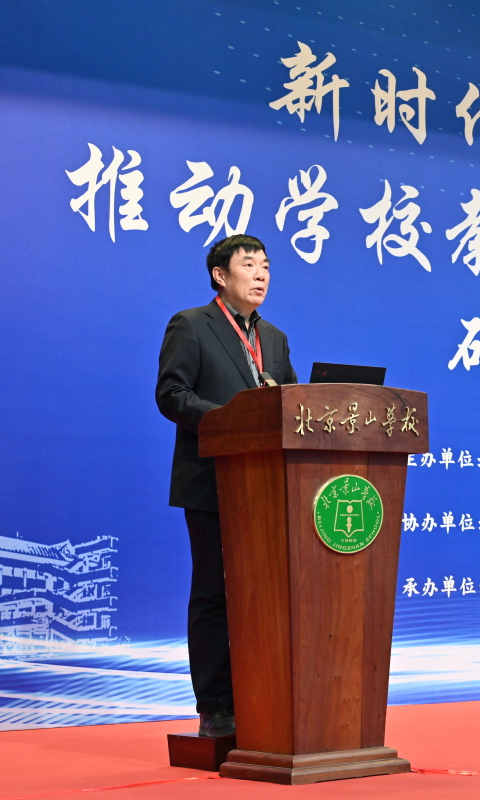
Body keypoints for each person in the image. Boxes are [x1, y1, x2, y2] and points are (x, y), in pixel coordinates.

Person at [155, 234, 297, 737]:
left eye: (266, 267)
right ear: (220, 275)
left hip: (267, 489)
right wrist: (229, 420)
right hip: (212, 482)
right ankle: (216, 706)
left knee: (265, 594)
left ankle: (264, 697)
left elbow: (289, 406)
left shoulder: (274, 339)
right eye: (249, 265)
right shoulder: (192, 324)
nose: (261, 275)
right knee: (215, 593)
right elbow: (172, 394)